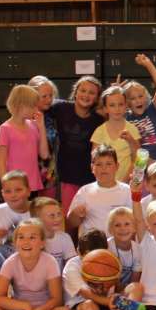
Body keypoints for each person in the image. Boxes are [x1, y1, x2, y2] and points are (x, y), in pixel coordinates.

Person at [50, 75, 104, 214]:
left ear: (97, 98)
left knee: (89, 215)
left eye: (91, 93)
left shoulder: (98, 119)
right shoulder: (60, 108)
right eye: (83, 90)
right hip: (67, 174)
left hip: (89, 176)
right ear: (75, 92)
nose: (86, 95)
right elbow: (40, 104)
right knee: (70, 214)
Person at [67, 145, 132, 237]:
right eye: (99, 164)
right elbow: (71, 223)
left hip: (119, 243)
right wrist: (76, 214)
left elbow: (135, 220)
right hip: (91, 243)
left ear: (117, 166)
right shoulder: (84, 191)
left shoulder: (127, 190)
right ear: (92, 168)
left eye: (108, 164)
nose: (104, 168)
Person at [0, 84, 49, 193]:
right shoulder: (5, 128)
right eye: (33, 106)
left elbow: (44, 155)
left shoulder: (33, 125)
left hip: (33, 184)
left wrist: (41, 127)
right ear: (20, 105)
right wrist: (6, 187)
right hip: (15, 187)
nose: (36, 109)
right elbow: (1, 163)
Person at [122, 53, 156, 162]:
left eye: (140, 96)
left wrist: (148, 65)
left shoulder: (151, 110)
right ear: (127, 102)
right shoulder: (125, 118)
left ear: (146, 97)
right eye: (133, 98)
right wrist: (116, 92)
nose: (138, 100)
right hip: (140, 164)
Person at [91, 85, 141, 183]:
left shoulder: (132, 129)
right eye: (112, 105)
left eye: (120, 104)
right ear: (105, 108)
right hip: (105, 183)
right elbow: (95, 161)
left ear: (126, 106)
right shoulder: (99, 131)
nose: (117, 109)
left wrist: (125, 181)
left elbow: (138, 159)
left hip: (128, 183)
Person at [28, 75, 61, 201]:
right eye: (44, 96)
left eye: (51, 95)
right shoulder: (25, 117)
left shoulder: (53, 115)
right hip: (30, 169)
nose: (49, 99)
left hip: (49, 171)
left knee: (47, 205)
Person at [0, 170, 31, 258]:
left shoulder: (38, 210)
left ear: (28, 191)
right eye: (8, 191)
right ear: (2, 194)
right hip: (4, 258)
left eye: (18, 190)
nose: (13, 195)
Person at [33, 195, 75, 269]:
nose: (57, 219)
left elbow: (71, 264)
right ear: (37, 219)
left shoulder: (65, 238)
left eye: (59, 214)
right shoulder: (31, 240)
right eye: (52, 216)